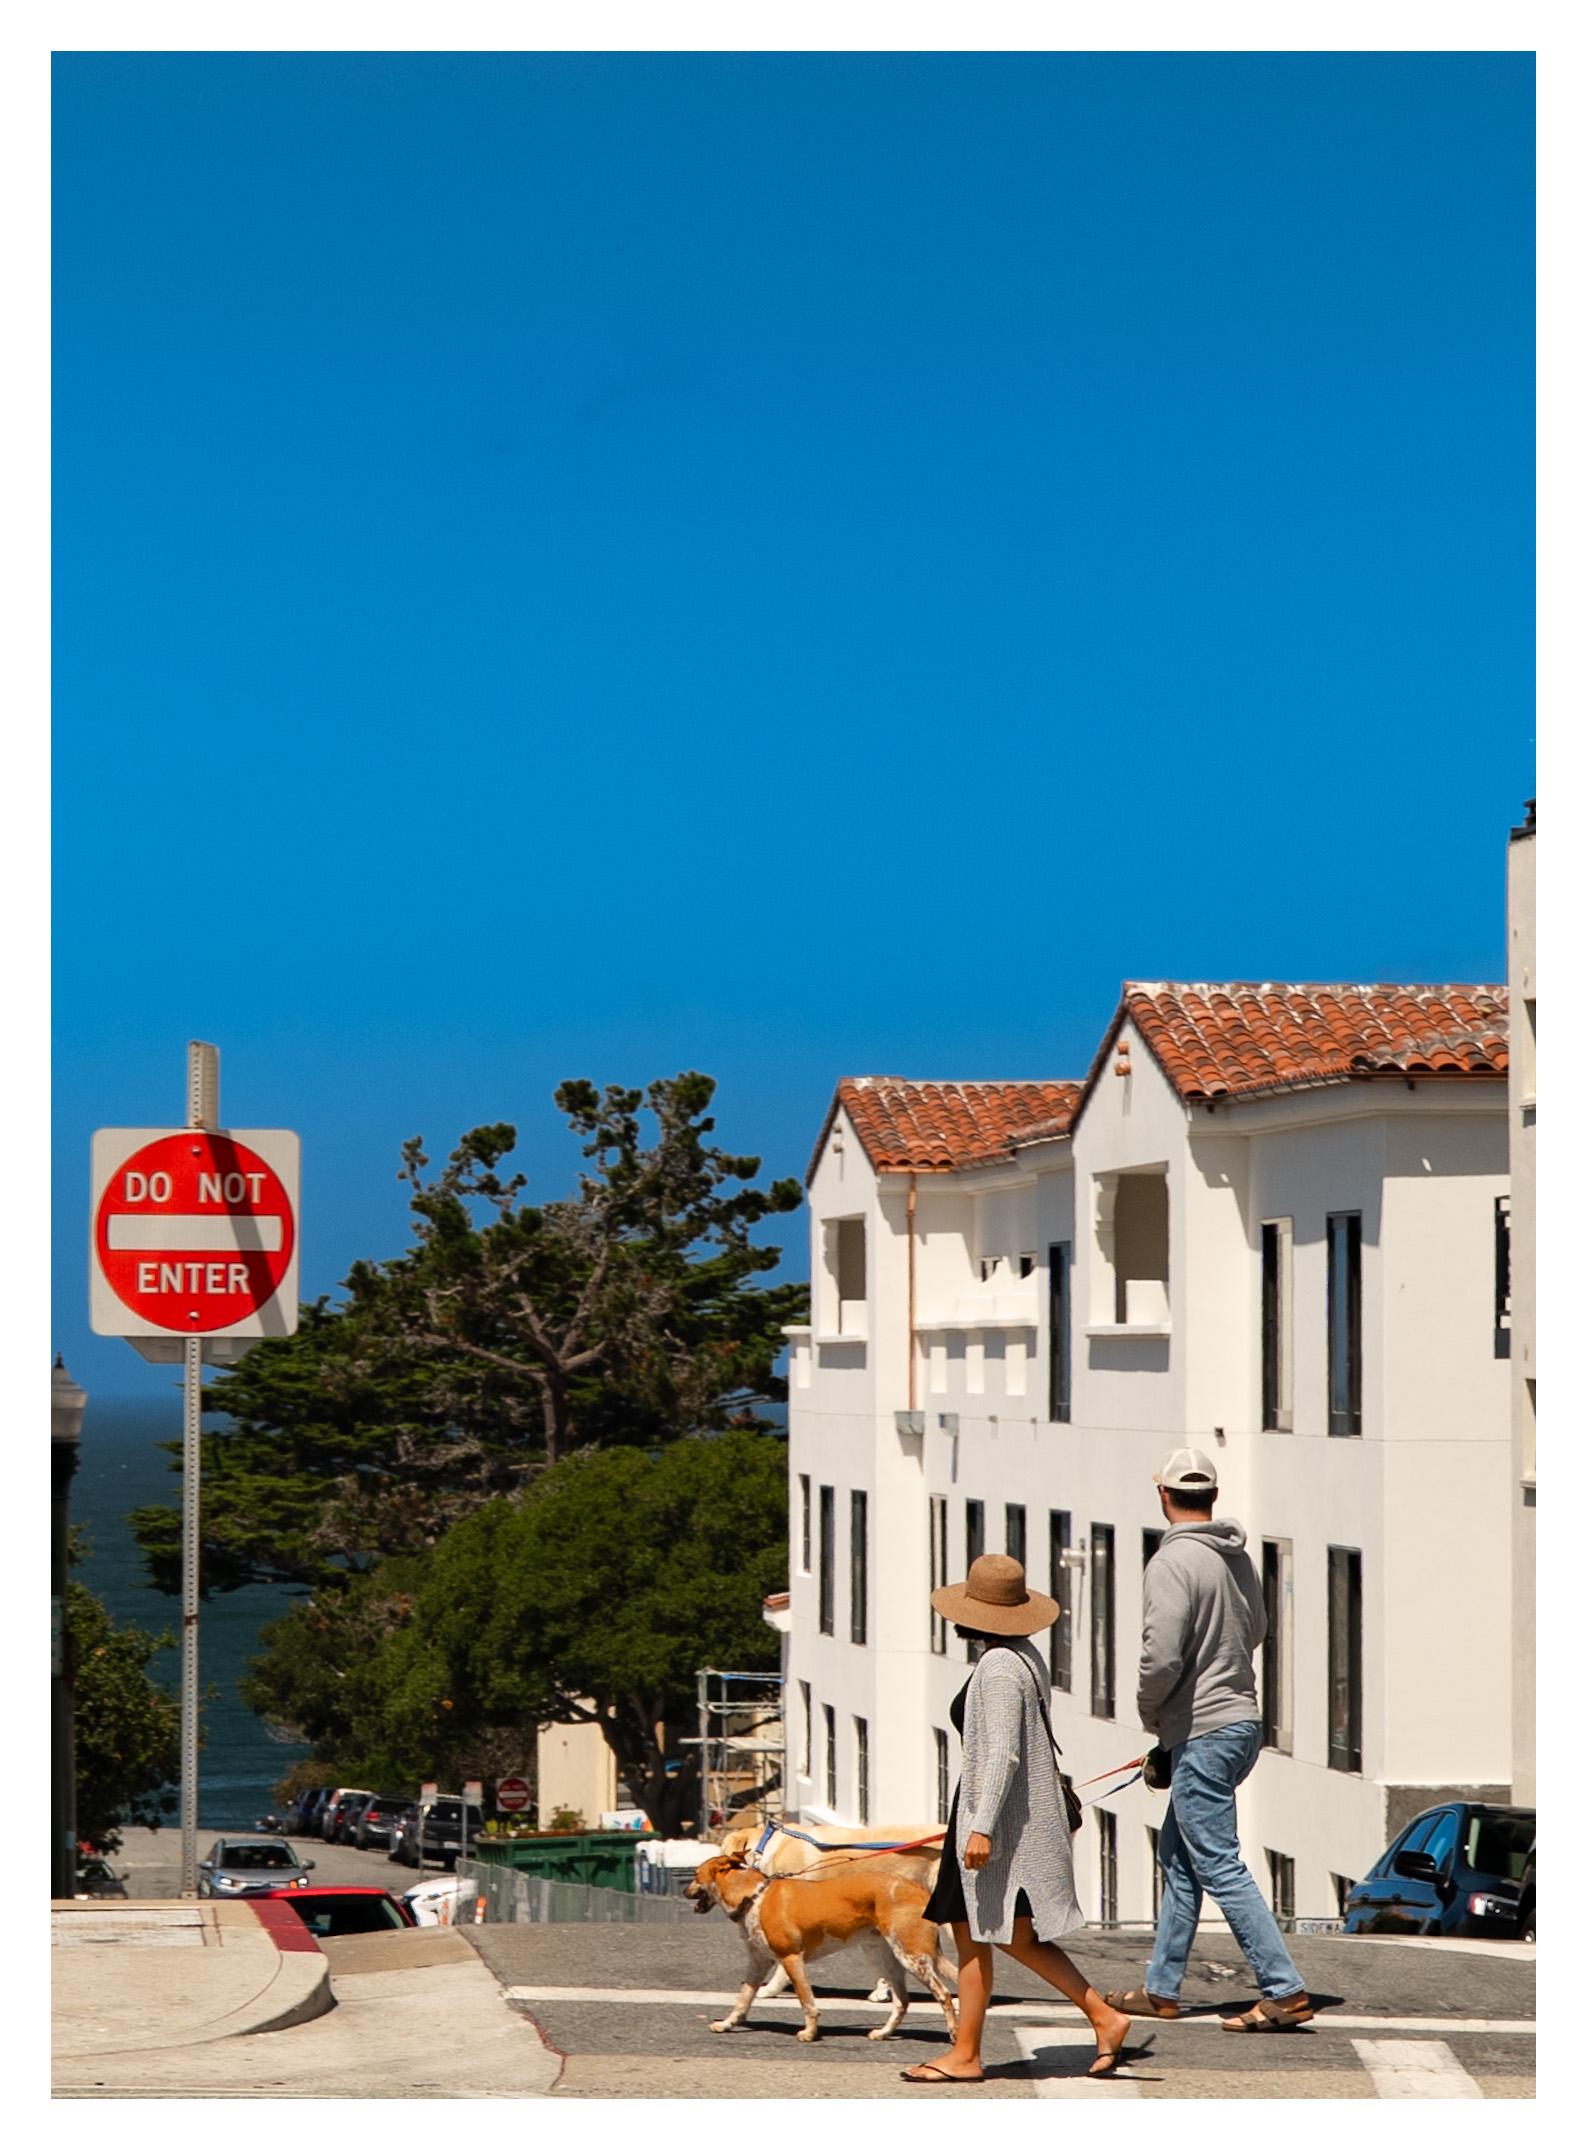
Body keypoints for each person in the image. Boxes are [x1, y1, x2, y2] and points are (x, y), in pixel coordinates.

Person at [899, 1553, 1133, 2085]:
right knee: (1000, 1934)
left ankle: (968, 2055)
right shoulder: (1021, 1654)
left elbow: (1003, 1753)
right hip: (999, 1814)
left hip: (995, 1820)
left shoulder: (1000, 1667)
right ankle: (1101, 2016)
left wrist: (980, 1826)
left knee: (983, 1934)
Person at [1105, 1447, 1315, 2033]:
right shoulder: (1237, 1558)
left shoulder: (1171, 1564)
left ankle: (1285, 1990)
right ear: (1213, 1498)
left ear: (1164, 1497)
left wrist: (1155, 1718)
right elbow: (1259, 1630)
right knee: (1179, 1856)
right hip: (1242, 1721)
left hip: (1202, 1730)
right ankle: (1161, 1988)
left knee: (1219, 1864)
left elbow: (1161, 1657)